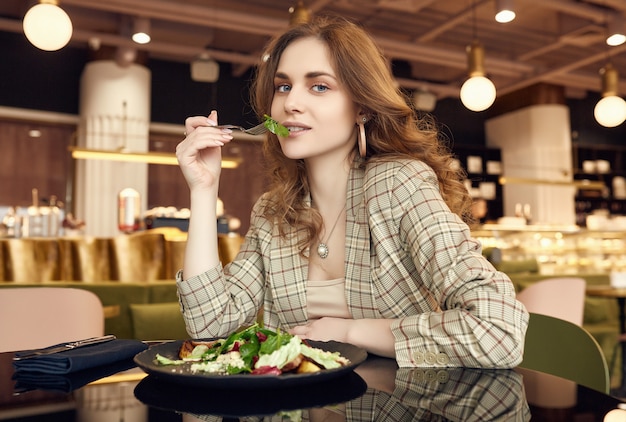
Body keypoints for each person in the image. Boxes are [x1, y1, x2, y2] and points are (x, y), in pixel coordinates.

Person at [175, 15, 528, 368]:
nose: (290, 102)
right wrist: (204, 190)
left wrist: (349, 332)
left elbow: (499, 332)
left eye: (319, 87)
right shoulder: (273, 211)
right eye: (283, 87)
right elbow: (209, 328)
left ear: (361, 107)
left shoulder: (398, 186)